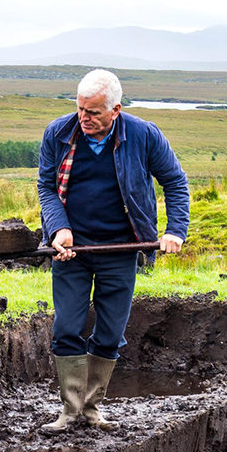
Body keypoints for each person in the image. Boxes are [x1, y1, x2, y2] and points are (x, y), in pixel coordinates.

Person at [36, 69, 189, 433]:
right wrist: (59, 228)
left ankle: (92, 409)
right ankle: (70, 411)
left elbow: (175, 182)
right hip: (71, 250)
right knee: (67, 327)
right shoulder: (58, 133)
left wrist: (175, 231)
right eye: (80, 109)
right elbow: (45, 185)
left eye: (93, 113)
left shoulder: (144, 135)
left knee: (109, 334)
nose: (84, 118)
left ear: (116, 109)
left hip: (123, 247)